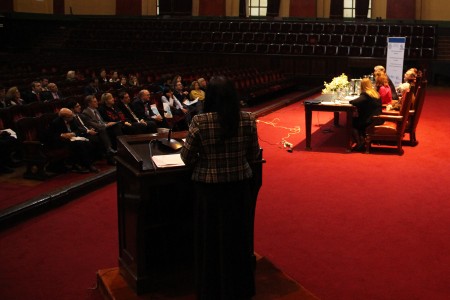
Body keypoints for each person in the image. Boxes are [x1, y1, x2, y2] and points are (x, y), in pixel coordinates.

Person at [181, 76, 260, 300]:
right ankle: (240, 288)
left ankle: (212, 289)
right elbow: (253, 154)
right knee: (237, 238)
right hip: (238, 188)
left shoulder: (200, 121)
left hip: (210, 191)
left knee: (212, 240)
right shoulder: (247, 119)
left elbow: (186, 157)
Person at [47, 108, 99, 173]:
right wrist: (62, 135)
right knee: (79, 144)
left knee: (88, 142)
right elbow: (52, 135)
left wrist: (73, 133)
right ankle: (85, 165)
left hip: (73, 138)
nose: (73, 117)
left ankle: (86, 163)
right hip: (62, 141)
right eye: (70, 116)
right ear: (65, 117)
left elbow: (77, 130)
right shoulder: (56, 122)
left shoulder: (72, 119)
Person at [349, 78, 383, 152]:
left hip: (371, 120)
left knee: (352, 123)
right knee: (358, 120)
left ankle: (359, 144)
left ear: (362, 86)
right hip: (379, 119)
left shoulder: (366, 94)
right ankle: (362, 140)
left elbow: (355, 102)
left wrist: (350, 101)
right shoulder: (375, 93)